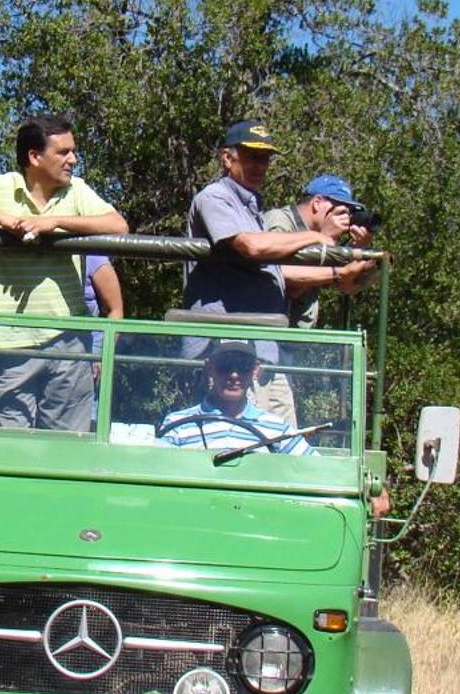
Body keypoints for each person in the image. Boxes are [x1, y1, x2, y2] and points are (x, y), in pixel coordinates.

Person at [0, 114, 128, 429]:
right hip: (10, 342)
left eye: (73, 151)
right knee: (13, 449)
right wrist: (0, 219)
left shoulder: (76, 191)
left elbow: (118, 225)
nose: (73, 159)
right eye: (63, 152)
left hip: (69, 343)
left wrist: (55, 224)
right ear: (34, 157)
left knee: (65, 450)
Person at [180, 121, 341, 424]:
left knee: (278, 448)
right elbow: (250, 246)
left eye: (265, 158)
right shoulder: (214, 197)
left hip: (263, 351)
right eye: (251, 156)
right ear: (227, 158)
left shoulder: (252, 206)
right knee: (229, 444)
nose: (260, 165)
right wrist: (316, 237)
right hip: (228, 352)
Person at [262, 173, 380, 330]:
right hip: (268, 333)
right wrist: (325, 239)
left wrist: (358, 252)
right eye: (342, 210)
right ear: (317, 202)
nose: (346, 217)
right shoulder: (280, 221)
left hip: (295, 340)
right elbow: (283, 283)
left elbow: (347, 286)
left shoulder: (326, 238)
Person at [157, 341, 311, 455]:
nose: (234, 376)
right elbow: (159, 471)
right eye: (225, 366)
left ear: (255, 371)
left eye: (243, 367)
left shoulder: (277, 428)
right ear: (210, 368)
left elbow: (311, 467)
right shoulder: (177, 424)